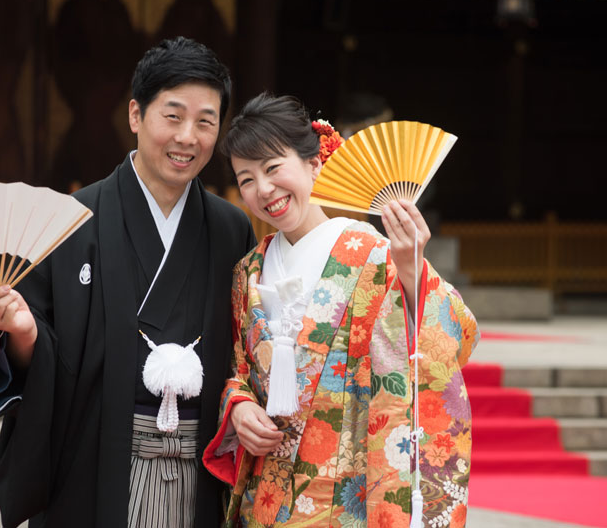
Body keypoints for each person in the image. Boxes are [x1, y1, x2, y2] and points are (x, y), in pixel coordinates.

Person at [0, 37, 256, 528]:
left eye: (206, 121)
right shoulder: (66, 222)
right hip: (96, 469)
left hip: (201, 471)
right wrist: (23, 335)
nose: (188, 137)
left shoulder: (232, 229)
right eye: (172, 115)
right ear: (136, 115)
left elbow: (249, 353)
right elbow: (35, 361)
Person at [202, 93, 479, 527]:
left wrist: (410, 274)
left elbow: (453, 339)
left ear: (314, 164)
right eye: (247, 179)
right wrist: (238, 407)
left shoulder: (374, 254)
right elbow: (237, 369)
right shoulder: (247, 273)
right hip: (263, 502)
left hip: (342, 499)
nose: (264, 190)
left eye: (274, 168)